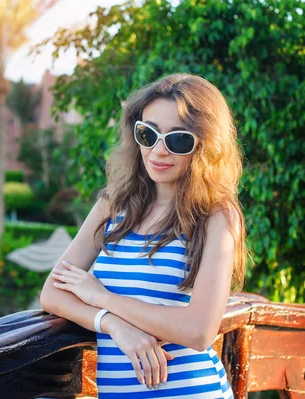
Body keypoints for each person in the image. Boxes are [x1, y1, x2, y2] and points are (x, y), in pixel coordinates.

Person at [40, 73, 247, 398]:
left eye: (178, 140)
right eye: (147, 134)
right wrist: (111, 323)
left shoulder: (217, 216)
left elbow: (198, 331)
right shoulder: (113, 204)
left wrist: (103, 298)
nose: (158, 151)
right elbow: (53, 293)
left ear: (205, 145)